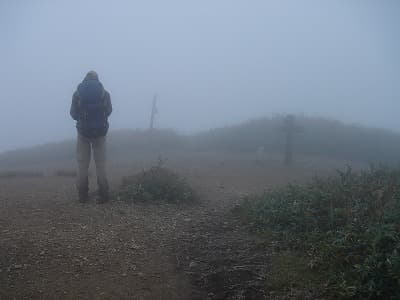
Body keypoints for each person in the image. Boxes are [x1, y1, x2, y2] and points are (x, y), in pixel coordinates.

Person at [70, 71, 112, 203]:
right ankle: (104, 194)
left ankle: (83, 196)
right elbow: (109, 111)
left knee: (82, 165)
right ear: (97, 79)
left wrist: (82, 119)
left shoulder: (78, 94)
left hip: (83, 133)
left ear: (85, 79)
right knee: (100, 165)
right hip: (100, 133)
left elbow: (73, 114)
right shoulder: (104, 93)